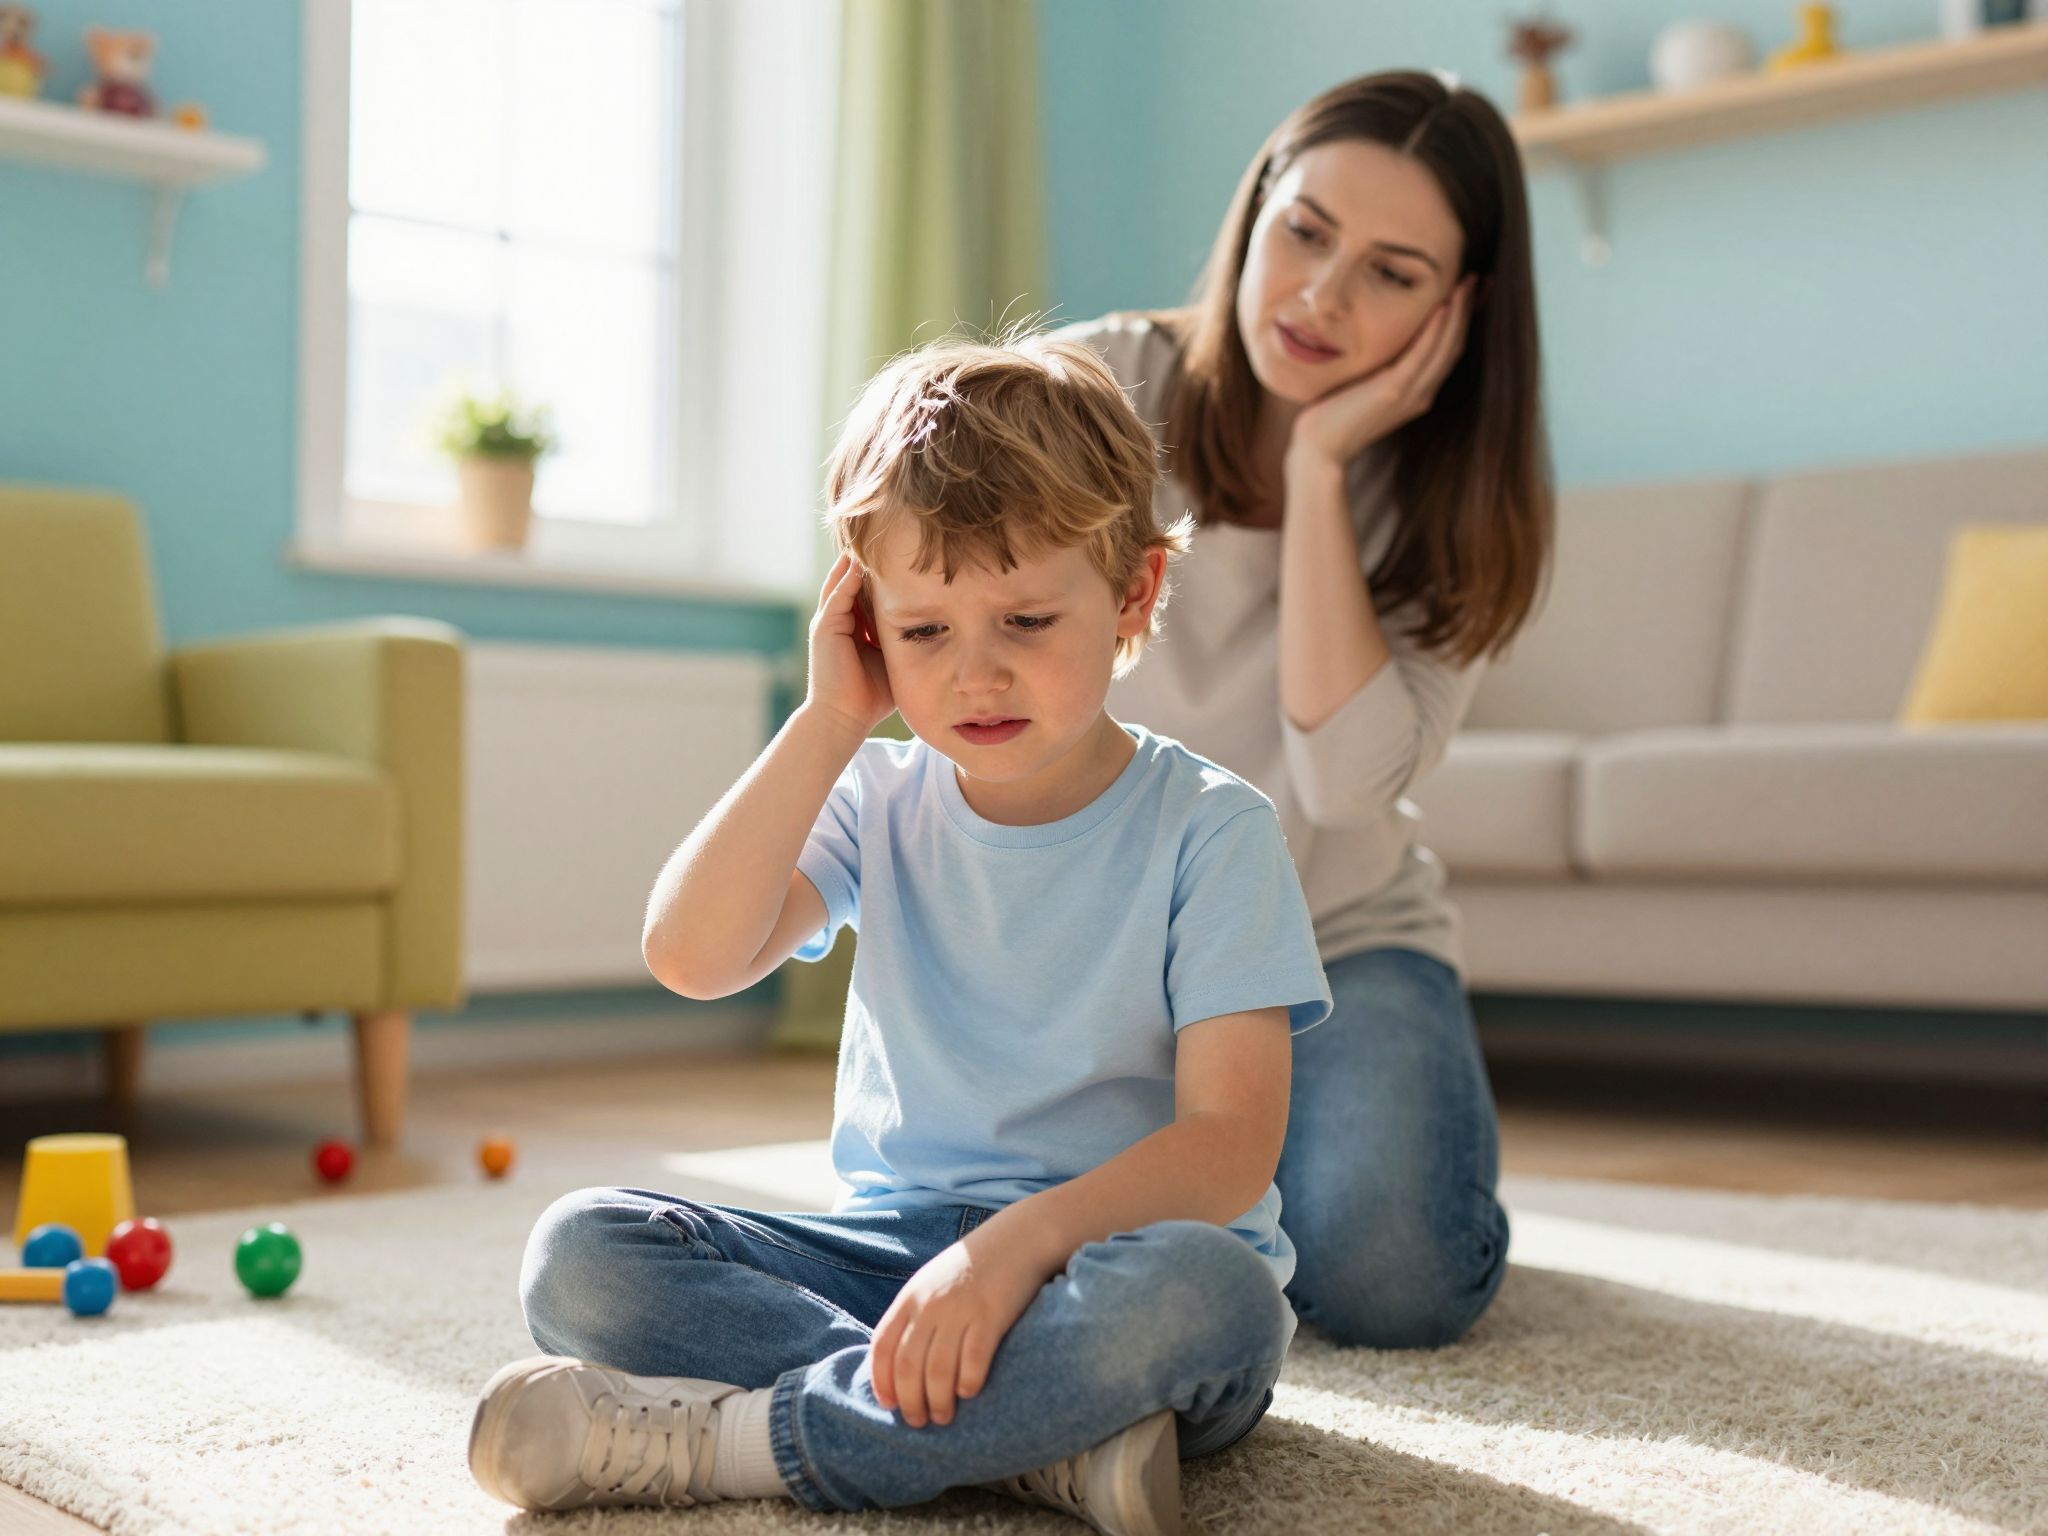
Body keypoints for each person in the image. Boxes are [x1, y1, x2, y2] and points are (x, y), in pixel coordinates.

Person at [466, 331, 1334, 1535]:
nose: (973, 676)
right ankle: (1024, 1440)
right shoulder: (874, 796)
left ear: (1133, 592)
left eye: (1025, 620)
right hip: (893, 1265)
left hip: (1109, 1261)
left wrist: (1014, 1253)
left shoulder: (1212, 828)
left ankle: (737, 1446)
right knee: (584, 1253)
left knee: (1209, 1300)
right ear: (865, 619)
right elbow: (690, 954)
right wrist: (829, 720)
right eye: (922, 631)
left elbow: (1229, 1148)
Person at [1055, 68, 1555, 1350]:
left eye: (1392, 272)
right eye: (1306, 232)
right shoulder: (1103, 384)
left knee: (1394, 1275)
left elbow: (1340, 787)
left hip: (1334, 949)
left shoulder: (1461, 510)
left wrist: (1322, 467)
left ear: (1459, 309)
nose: (1322, 298)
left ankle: (1279, 1178)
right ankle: (1229, 1185)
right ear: (1255, 207)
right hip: (1097, 948)